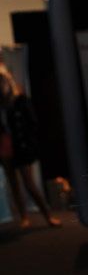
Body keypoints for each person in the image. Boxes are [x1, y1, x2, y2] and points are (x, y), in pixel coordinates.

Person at [0, 66, 60, 228]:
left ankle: (48, 215)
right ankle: (24, 217)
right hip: (5, 146)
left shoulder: (19, 100)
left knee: (29, 183)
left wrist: (30, 144)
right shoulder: (2, 104)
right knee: (13, 183)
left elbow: (32, 123)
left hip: (22, 146)